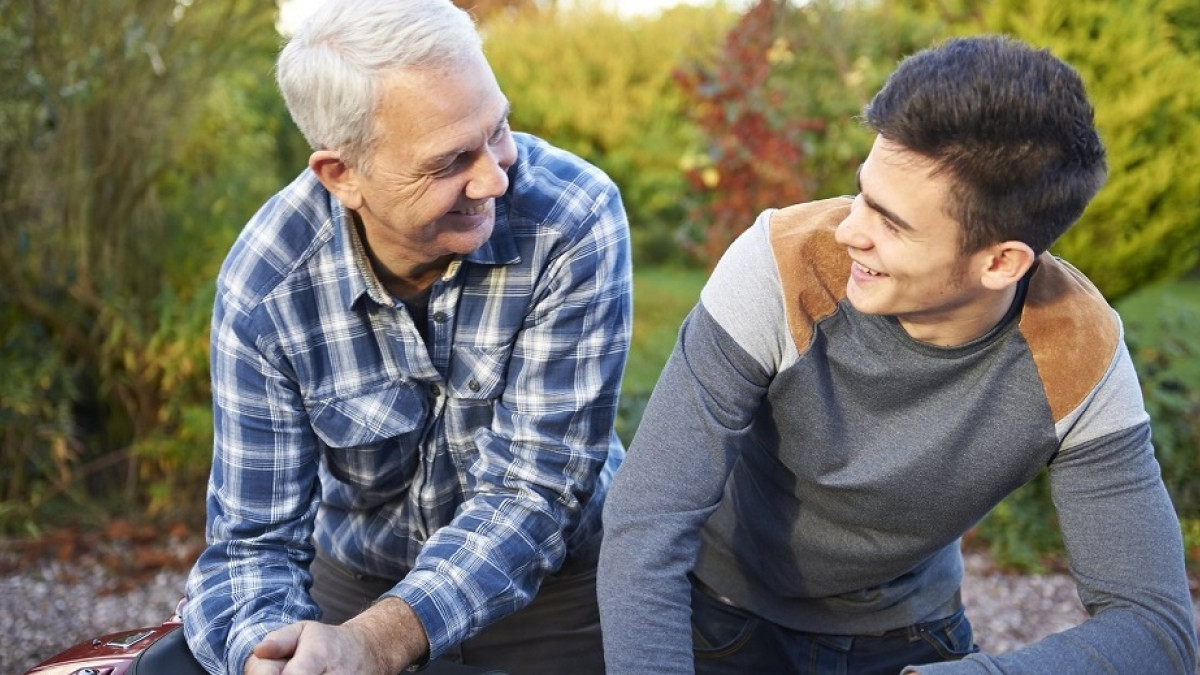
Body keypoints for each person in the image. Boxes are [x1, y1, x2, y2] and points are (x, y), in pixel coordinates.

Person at [597, 34, 1198, 675]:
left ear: (1001, 262)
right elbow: (646, 525)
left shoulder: (1076, 350)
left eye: (892, 222)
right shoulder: (781, 265)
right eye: (862, 193)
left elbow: (1155, 629)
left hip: (909, 636)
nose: (850, 229)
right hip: (717, 617)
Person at [180, 0, 631, 673]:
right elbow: (254, 542)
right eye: (451, 160)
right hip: (360, 577)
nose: (495, 177)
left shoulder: (572, 218)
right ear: (342, 175)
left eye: (497, 127)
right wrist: (265, 653)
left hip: (557, 588)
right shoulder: (267, 288)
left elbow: (535, 490)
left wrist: (380, 640)